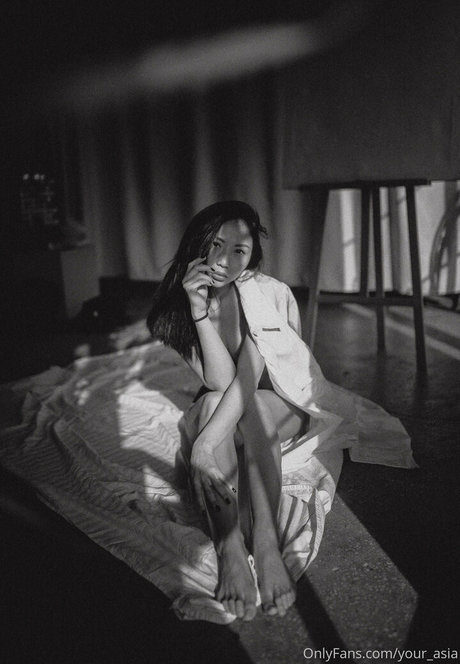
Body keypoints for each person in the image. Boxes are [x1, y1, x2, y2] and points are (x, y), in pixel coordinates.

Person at [147, 200, 416, 622]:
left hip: (284, 404)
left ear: (252, 255)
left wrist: (204, 445)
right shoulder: (176, 307)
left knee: (245, 403)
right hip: (228, 402)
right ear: (197, 245)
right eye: (215, 245)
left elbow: (247, 379)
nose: (225, 260)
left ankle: (267, 542)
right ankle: (230, 545)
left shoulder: (268, 294)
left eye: (239, 250)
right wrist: (198, 312)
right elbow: (219, 382)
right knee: (213, 402)